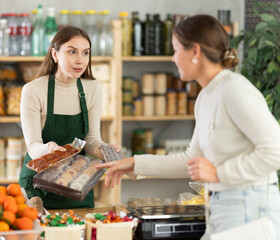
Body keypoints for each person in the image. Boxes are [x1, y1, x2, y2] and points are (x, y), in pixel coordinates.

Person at [96, 14, 280, 239]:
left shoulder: (235, 90)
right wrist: (135, 163)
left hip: (250, 210)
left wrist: (218, 172)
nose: (173, 58)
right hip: (222, 208)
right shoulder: (205, 97)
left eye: (175, 50)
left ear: (195, 51)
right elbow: (190, 160)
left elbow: (275, 150)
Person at [19, 26, 108, 209]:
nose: (80, 60)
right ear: (55, 54)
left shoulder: (93, 89)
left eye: (85, 53)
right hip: (37, 185)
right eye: (72, 52)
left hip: (76, 183)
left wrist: (107, 152)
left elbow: (91, 140)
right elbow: (33, 146)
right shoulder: (33, 90)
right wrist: (49, 149)